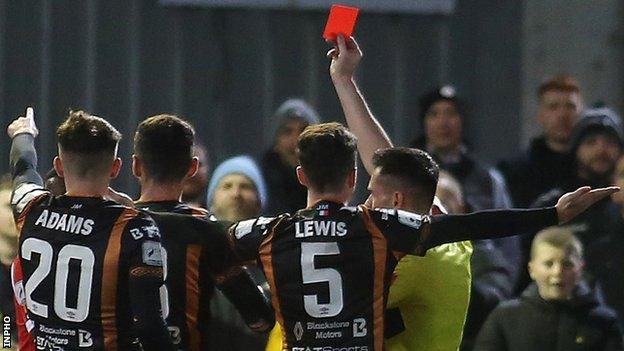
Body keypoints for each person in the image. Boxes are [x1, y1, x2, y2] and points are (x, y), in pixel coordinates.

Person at [8, 108, 173, 350]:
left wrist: (23, 133)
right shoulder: (135, 227)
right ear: (116, 168)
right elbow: (148, 322)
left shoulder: (29, 208)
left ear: (60, 166)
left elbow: (23, 168)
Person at [131, 114, 274, 350]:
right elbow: (260, 319)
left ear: (136, 165)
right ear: (192, 167)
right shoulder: (207, 231)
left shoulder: (115, 222)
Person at [474, 227, 623, 351]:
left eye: (567, 264)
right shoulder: (505, 317)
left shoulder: (602, 323)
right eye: (548, 264)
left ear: (580, 270)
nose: (557, 272)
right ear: (531, 269)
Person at [204, 155, 271, 350]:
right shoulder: (197, 249)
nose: (236, 194)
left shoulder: (271, 252)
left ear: (260, 201)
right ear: (211, 201)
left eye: (246, 186)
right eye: (226, 186)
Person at [498, 75, 582, 207]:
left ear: (580, 112)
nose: (563, 115)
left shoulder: (589, 168)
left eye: (570, 106)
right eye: (553, 107)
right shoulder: (515, 171)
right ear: (541, 114)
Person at [261, 98, 320, 215]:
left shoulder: (334, 180)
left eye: (304, 130)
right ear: (276, 142)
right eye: (287, 131)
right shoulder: (260, 185)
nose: (297, 139)